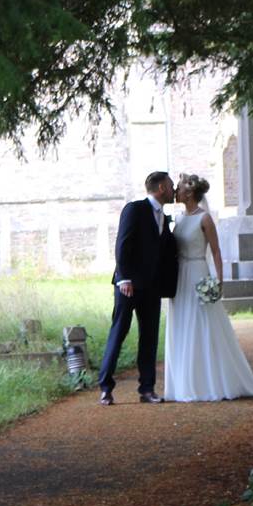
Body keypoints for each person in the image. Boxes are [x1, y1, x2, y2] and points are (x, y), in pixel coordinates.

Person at [164, 173, 253, 402]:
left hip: (198, 272)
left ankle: (209, 380)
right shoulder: (178, 219)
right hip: (180, 276)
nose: (175, 192)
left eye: (178, 188)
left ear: (189, 193)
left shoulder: (204, 219)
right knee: (182, 323)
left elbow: (216, 251)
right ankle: (185, 381)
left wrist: (219, 280)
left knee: (203, 323)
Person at [98, 171, 178, 405]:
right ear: (161, 187)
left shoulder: (164, 216)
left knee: (150, 337)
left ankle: (147, 389)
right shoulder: (134, 209)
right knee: (119, 331)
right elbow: (122, 244)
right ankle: (105, 387)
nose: (174, 190)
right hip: (128, 286)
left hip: (152, 287)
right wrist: (123, 279)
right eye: (172, 186)